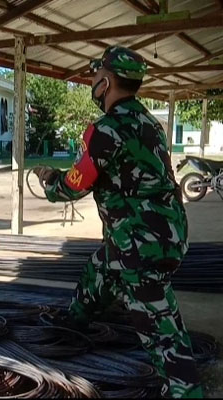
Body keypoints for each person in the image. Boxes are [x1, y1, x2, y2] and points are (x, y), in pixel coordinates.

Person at [33, 46, 202, 399]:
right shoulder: (148, 123)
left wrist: (52, 183)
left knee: (162, 332)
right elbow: (108, 171)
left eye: (96, 77)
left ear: (106, 82)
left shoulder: (107, 129)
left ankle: (186, 391)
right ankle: (73, 324)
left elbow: (76, 184)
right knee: (100, 270)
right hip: (159, 232)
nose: (93, 82)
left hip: (141, 246)